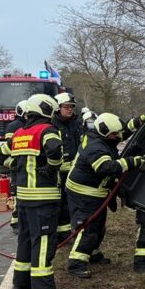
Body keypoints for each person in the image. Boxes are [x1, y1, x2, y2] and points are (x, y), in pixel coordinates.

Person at [64, 111, 145, 278]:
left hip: (95, 191)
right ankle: (76, 263)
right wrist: (133, 161)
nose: (117, 136)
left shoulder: (101, 135)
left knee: (98, 226)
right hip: (84, 192)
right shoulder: (95, 147)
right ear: (105, 133)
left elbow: (122, 132)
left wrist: (139, 121)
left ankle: (92, 253)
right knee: (87, 227)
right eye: (114, 134)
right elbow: (105, 167)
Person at [0, 94, 64, 289]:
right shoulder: (47, 130)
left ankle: (20, 285)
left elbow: (1, 153)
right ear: (47, 110)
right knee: (43, 241)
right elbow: (54, 149)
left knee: (25, 239)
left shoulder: (19, 133)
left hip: (24, 199)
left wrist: (14, 164)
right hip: (43, 198)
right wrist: (51, 167)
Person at [52, 92, 83, 243]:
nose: (70, 109)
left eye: (71, 107)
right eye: (66, 107)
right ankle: (62, 234)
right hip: (59, 172)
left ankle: (75, 229)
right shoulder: (51, 125)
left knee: (76, 202)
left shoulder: (78, 123)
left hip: (76, 170)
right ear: (58, 108)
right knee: (61, 203)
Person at [4, 100, 29, 233]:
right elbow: (9, 147)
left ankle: (20, 220)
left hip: (19, 163)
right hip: (17, 164)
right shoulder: (14, 126)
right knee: (17, 194)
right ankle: (16, 221)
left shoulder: (21, 125)